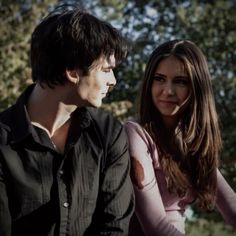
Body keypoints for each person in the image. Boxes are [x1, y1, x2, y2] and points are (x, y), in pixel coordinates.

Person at [0, 6, 134, 236]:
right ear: (72, 71)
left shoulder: (109, 133)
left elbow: (115, 227)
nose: (113, 81)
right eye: (106, 69)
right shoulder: (2, 140)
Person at [125, 39, 236, 235]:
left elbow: (231, 206)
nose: (167, 91)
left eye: (180, 81)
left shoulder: (193, 142)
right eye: (159, 79)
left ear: (197, 88)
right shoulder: (135, 133)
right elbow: (156, 228)